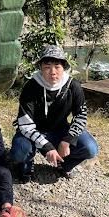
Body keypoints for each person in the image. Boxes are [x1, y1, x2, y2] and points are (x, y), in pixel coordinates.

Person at [11, 45, 98, 183]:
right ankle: (26, 164)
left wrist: (67, 140)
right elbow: (25, 124)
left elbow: (80, 116)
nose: (53, 72)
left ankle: (64, 164)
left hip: (60, 130)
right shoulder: (31, 87)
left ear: (64, 67)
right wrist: (47, 146)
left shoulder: (73, 86)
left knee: (90, 148)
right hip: (32, 131)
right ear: (40, 67)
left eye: (57, 66)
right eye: (47, 67)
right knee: (19, 151)